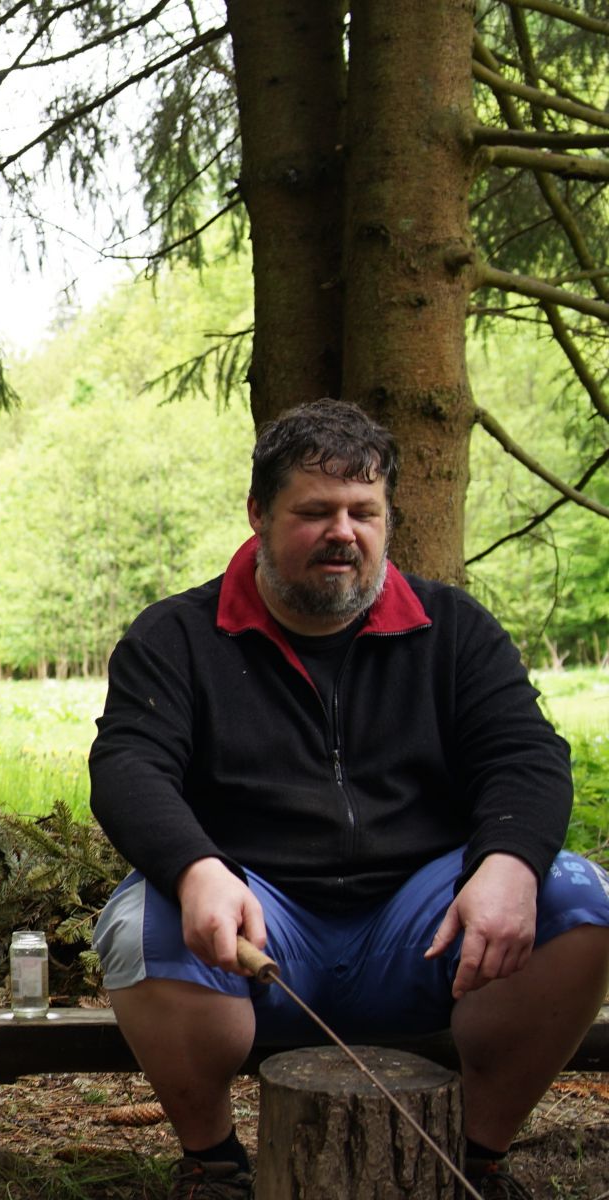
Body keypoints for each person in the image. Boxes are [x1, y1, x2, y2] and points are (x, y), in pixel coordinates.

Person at [87, 398, 609, 1199]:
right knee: (140, 923)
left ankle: (474, 1160)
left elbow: (526, 756)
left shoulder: (454, 629)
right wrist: (196, 868)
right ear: (259, 513)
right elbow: (129, 765)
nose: (344, 533)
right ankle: (215, 1163)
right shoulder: (175, 637)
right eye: (315, 512)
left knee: (578, 901)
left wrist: (508, 863)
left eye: (364, 512)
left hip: (426, 932)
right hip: (256, 935)